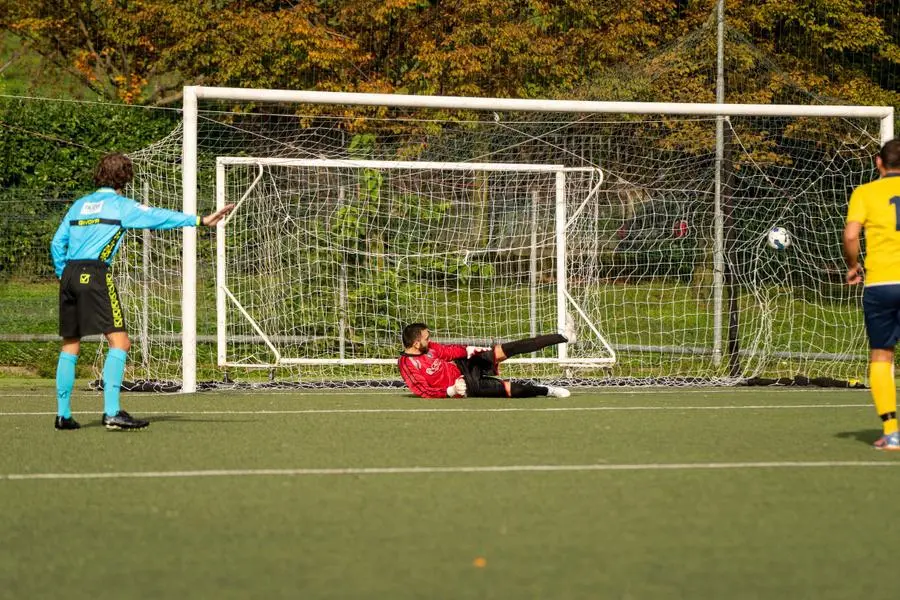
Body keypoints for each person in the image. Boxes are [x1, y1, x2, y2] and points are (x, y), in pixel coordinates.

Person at [50, 152, 235, 431]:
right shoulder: (121, 206)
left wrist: (61, 271)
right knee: (121, 343)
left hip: (69, 275)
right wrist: (200, 220)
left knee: (70, 344)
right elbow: (158, 217)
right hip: (95, 274)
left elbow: (56, 242)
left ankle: (63, 415)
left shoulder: (79, 205)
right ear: (125, 177)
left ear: (98, 174)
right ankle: (112, 412)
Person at [844, 138, 900, 450]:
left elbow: (851, 235)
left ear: (879, 162)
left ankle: (892, 432)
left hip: (880, 284)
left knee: (882, 353)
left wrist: (853, 266)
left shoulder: (865, 193)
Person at [398, 322, 571, 399]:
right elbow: (423, 391)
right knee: (513, 390)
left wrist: (468, 350)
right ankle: (548, 391)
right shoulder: (407, 364)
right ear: (416, 343)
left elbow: (448, 351)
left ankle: (563, 336)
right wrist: (449, 391)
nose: (430, 340)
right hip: (465, 385)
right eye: (426, 338)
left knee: (507, 349)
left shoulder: (430, 347)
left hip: (465, 365)